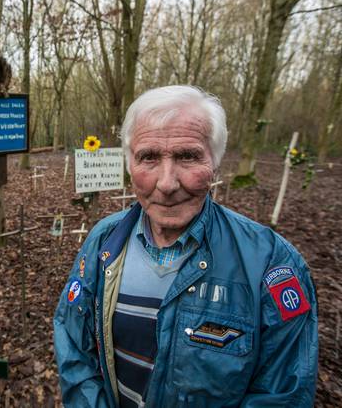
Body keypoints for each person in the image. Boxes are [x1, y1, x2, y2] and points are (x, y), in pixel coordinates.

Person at [53, 85, 318, 408]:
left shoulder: (272, 263)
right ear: (129, 165)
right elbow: (73, 344)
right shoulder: (105, 240)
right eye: (148, 157)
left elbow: (282, 396)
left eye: (187, 156)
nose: (166, 183)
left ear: (215, 163)